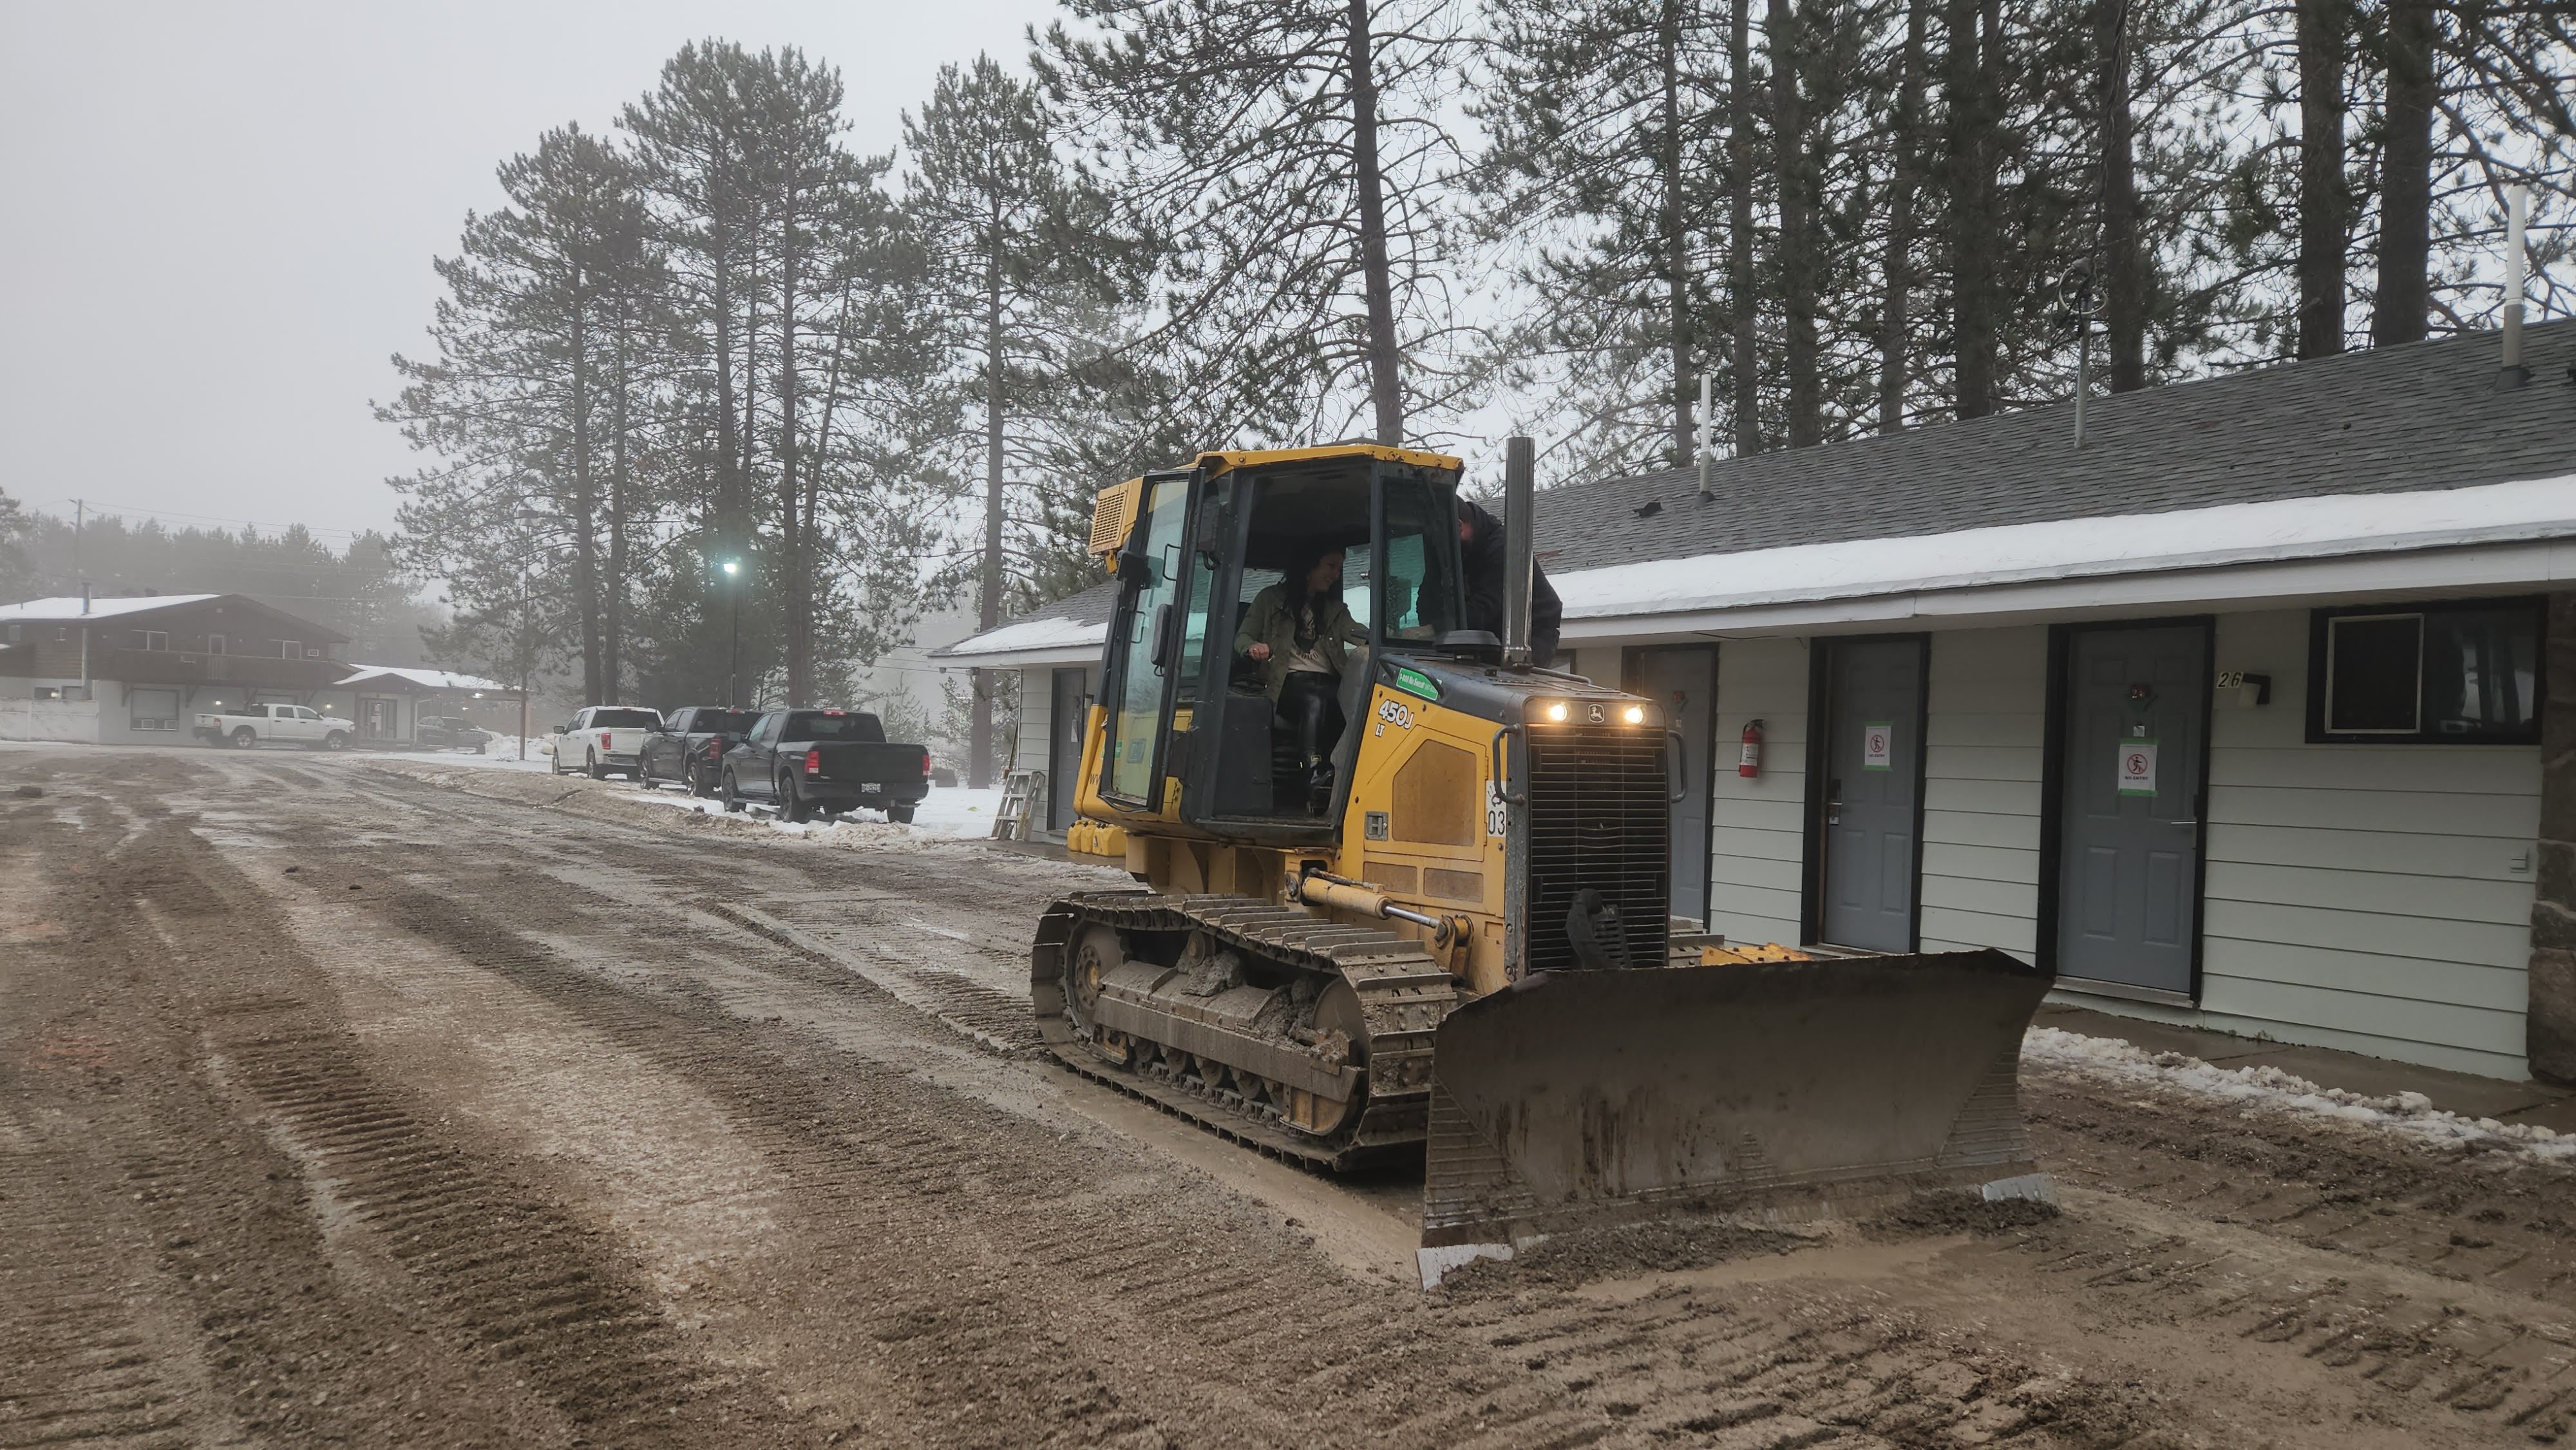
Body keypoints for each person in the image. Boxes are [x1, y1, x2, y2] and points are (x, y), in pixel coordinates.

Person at [1236, 546, 1365, 813]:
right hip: (1286, 683)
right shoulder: (1269, 600)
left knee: (1356, 705)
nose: (1336, 574)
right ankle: (1314, 772)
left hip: (1329, 684)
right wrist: (1254, 647)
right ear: (1309, 567)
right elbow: (1242, 637)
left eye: (1339, 568)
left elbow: (1360, 635)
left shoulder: (1336, 610)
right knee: (1314, 700)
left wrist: (1397, 638)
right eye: (1330, 566)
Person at [1459, 499, 1562, 666]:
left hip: (1530, 635)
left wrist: (1437, 628)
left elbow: (1483, 608)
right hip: (1488, 634)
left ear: (1459, 526)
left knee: (1509, 679)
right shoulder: (1457, 551)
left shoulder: (1504, 549)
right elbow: (1430, 592)